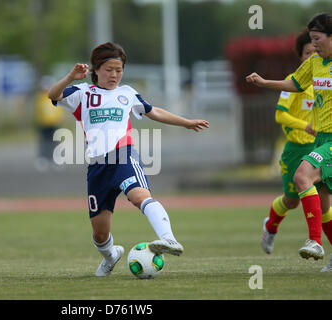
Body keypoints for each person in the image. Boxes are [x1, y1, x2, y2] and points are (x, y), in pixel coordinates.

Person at [48, 42, 209, 276]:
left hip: (124, 155)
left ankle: (169, 239)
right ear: (96, 69)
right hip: (97, 167)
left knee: (139, 196)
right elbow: (52, 95)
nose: (114, 75)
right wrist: (70, 77)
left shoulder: (127, 94)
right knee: (100, 233)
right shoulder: (82, 93)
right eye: (109, 69)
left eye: (119, 70)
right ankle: (111, 255)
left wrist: (186, 122)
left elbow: (154, 111)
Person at [247, 13, 332, 272]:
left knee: (303, 176)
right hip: (318, 140)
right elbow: (294, 83)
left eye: (317, 39)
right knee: (321, 203)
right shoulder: (315, 63)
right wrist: (264, 82)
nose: (314, 45)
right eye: (310, 41)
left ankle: (315, 242)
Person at [260, 29, 317, 254]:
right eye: (308, 53)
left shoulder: (324, 82)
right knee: (292, 201)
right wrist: (306, 126)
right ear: (301, 57)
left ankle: (318, 244)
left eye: (316, 52)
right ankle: (270, 226)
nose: (313, 57)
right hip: (296, 149)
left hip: (319, 147)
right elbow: (280, 115)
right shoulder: (292, 84)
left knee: (324, 201)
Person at [33, 76, 65, 171]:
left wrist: (60, 119)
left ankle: (55, 159)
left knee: (55, 142)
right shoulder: (40, 98)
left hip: (54, 124)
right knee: (44, 142)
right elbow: (38, 112)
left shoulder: (56, 97)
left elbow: (59, 110)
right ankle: (43, 159)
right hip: (44, 124)